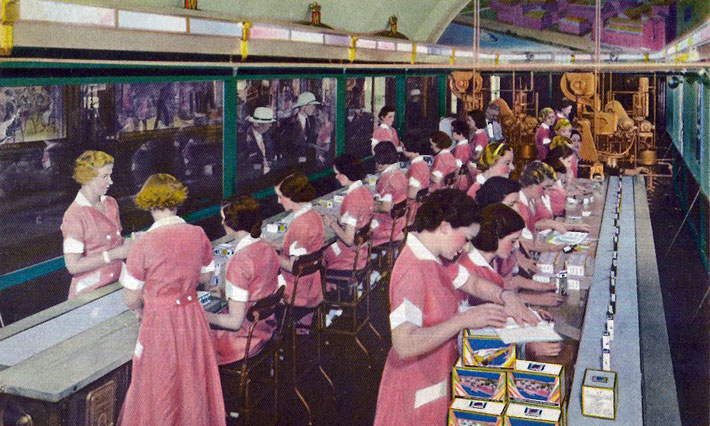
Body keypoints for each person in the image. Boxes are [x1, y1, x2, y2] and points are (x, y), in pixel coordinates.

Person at [372, 189, 511, 426]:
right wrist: (463, 320)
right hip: (412, 392)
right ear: (445, 226)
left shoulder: (435, 256)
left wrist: (505, 295)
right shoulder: (412, 269)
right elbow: (404, 344)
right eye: (466, 238)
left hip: (432, 381)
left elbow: (471, 281)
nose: (467, 248)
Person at [118, 173, 225, 426]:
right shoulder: (197, 233)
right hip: (192, 318)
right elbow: (208, 277)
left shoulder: (143, 244)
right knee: (192, 382)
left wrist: (142, 311)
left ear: (149, 204)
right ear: (177, 201)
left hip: (159, 322)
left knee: (161, 386)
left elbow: (131, 297)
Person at [206, 196, 280, 365]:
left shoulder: (238, 262)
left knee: (188, 338)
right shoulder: (266, 247)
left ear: (232, 223)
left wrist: (201, 314)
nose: (221, 223)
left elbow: (234, 322)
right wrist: (227, 293)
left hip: (243, 340)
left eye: (223, 219)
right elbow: (258, 289)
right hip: (265, 328)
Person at [475, 179, 563, 307]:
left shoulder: (505, 235)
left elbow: (509, 280)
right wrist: (532, 298)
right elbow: (490, 295)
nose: (517, 208)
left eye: (517, 202)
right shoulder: (488, 245)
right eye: (512, 204)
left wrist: (544, 287)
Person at [61, 151, 132, 299]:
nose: (110, 182)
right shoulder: (74, 215)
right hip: (91, 294)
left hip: (117, 283)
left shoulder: (111, 203)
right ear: (87, 177)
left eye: (110, 175)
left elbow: (113, 242)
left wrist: (131, 242)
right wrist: (115, 254)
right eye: (105, 176)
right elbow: (73, 266)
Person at [274, 171, 325, 308]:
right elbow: (299, 249)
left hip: (295, 289)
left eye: (280, 197)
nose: (278, 201)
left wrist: (270, 254)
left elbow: (293, 266)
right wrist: (269, 244)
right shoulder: (314, 215)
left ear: (292, 197)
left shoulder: (300, 225)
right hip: (312, 285)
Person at [323, 154, 374, 274]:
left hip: (349, 257)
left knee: (322, 254)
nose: (336, 177)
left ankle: (332, 288)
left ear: (346, 174)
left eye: (337, 173)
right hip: (361, 252)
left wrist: (331, 223)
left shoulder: (351, 199)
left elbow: (348, 240)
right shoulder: (364, 190)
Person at [371, 142, 408, 247]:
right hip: (399, 223)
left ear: (379, 160)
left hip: (387, 227)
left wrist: (368, 205)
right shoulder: (400, 173)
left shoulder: (386, 179)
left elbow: (385, 207)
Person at [277, 91, 320, 165]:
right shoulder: (288, 122)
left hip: (309, 165)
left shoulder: (313, 121)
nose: (313, 108)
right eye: (311, 105)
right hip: (293, 165)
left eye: (314, 106)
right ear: (303, 106)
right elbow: (284, 147)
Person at [244, 107, 276, 177]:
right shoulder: (245, 137)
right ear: (258, 124)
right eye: (269, 122)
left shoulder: (266, 135)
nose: (271, 125)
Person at [451, 119, 473, 191]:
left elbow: (458, 166)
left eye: (453, 132)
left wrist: (455, 182)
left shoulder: (460, 148)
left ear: (459, 133)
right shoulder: (467, 145)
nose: (452, 134)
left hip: (461, 179)